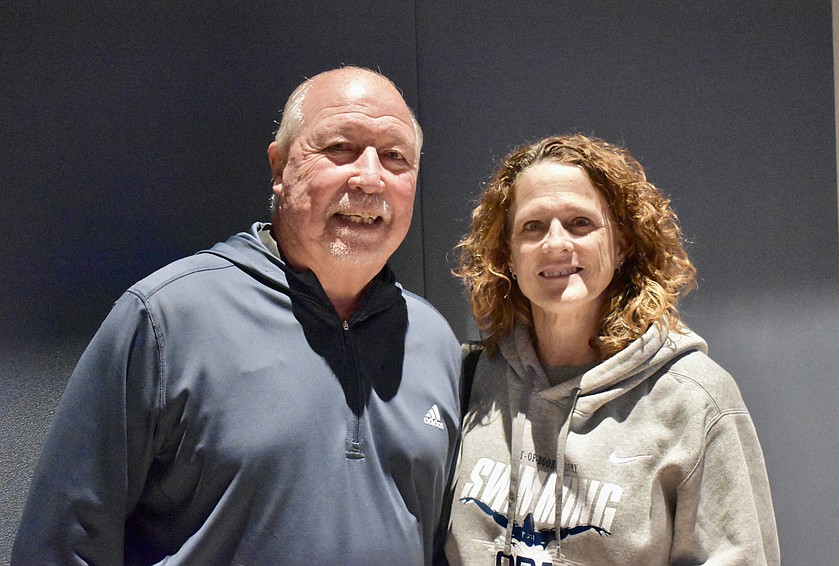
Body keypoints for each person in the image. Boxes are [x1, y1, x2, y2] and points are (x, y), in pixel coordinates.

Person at [12, 66, 461, 565]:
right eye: (339, 148)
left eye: (396, 157)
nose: (371, 176)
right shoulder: (167, 319)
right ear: (279, 167)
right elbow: (60, 547)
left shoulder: (434, 340)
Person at [442, 134, 779, 565]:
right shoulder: (471, 379)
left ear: (622, 244)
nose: (555, 243)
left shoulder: (696, 401)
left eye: (580, 223)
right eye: (533, 226)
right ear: (507, 253)